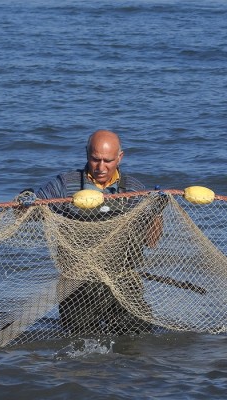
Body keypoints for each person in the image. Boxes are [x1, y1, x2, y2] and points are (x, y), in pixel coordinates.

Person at [35, 129, 164, 335]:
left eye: (108, 161)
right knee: (81, 348)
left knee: (135, 341)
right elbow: (35, 207)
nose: (101, 167)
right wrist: (25, 201)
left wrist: (156, 212)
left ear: (119, 158)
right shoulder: (65, 185)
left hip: (123, 282)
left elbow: (151, 242)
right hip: (77, 285)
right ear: (87, 154)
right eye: (95, 159)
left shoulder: (133, 190)